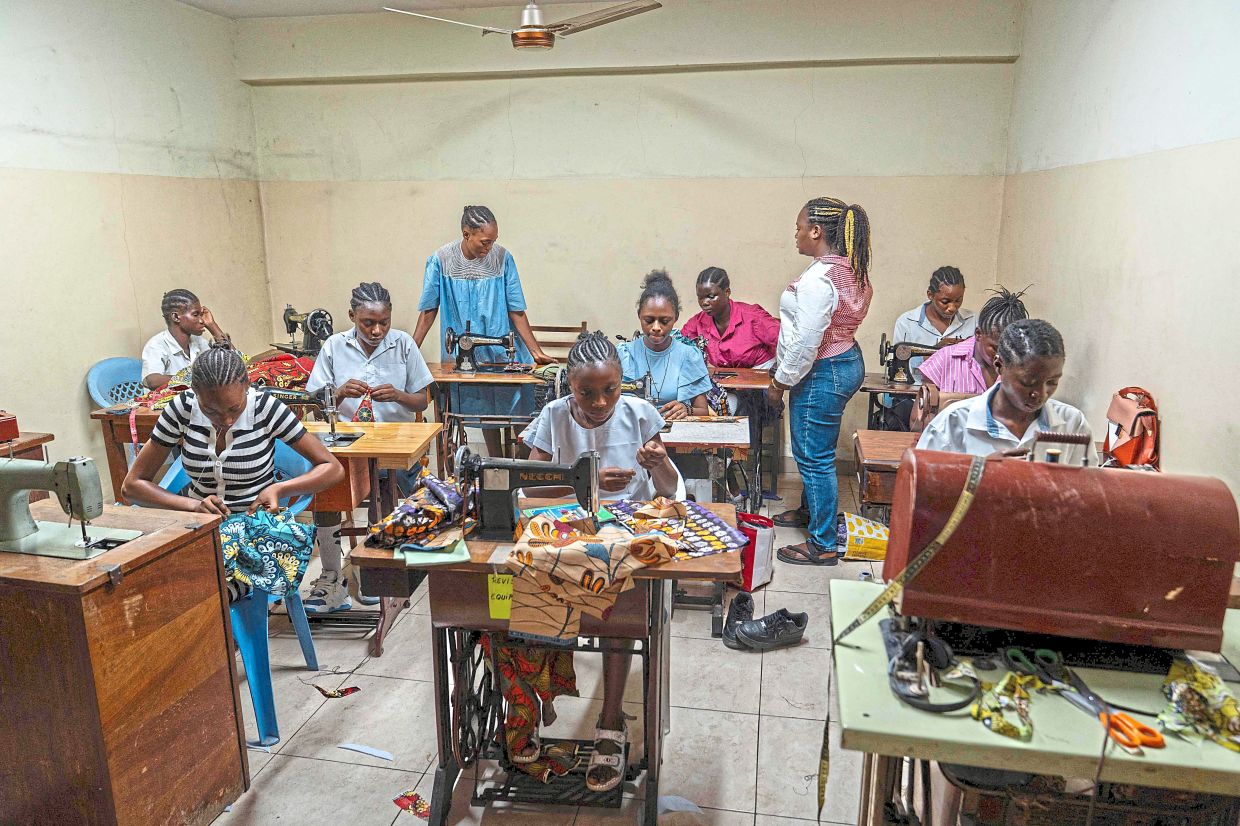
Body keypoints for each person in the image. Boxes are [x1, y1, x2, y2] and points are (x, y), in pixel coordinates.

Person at [521, 331, 678, 793]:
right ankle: (533, 702)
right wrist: (588, 483)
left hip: (624, 538)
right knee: (526, 589)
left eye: (610, 389)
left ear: (622, 382)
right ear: (567, 384)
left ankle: (610, 720)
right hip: (568, 534)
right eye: (586, 392)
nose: (599, 401)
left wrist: (657, 464)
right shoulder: (552, 418)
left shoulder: (639, 415)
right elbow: (531, 490)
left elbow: (670, 490)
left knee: (617, 613)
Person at [122, 343, 344, 597]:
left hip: (254, 527)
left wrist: (280, 488)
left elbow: (332, 468)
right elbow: (132, 486)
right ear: (195, 393)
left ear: (247, 387)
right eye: (211, 410)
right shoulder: (181, 409)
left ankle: (227, 601)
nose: (226, 420)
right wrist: (192, 506)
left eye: (234, 409)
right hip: (200, 525)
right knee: (148, 580)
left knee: (203, 591)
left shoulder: (266, 409)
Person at [302, 282, 434, 613]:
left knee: (390, 493)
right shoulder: (334, 346)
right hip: (350, 441)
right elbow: (315, 399)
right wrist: (339, 393)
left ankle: (379, 564)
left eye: (383, 322)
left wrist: (400, 396)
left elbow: (423, 398)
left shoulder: (403, 343)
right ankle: (333, 575)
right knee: (326, 490)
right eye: (368, 323)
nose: (377, 330)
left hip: (397, 440)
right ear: (352, 317)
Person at [768, 197, 873, 565]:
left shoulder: (818, 280)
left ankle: (822, 543)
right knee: (819, 449)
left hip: (823, 369)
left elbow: (806, 340)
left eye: (799, 227)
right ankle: (809, 512)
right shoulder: (850, 270)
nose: (795, 233)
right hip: (846, 359)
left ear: (816, 231)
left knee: (814, 457)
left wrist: (779, 383)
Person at [414, 205, 555, 457]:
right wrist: (410, 352)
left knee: (519, 412)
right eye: (484, 241)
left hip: (503, 354)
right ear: (466, 234)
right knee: (484, 413)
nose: (489, 247)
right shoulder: (441, 260)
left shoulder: (502, 258)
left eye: (493, 241)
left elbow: (516, 309)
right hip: (466, 355)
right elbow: (428, 310)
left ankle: (522, 468)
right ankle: (496, 463)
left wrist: (535, 352)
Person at [917, 319, 1093, 464]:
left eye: (1052, 382)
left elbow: (1090, 496)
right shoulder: (952, 424)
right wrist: (979, 472)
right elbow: (922, 495)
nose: (1040, 393)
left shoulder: (1072, 424)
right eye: (1027, 382)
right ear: (999, 365)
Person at [616, 270, 712, 422]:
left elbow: (702, 411)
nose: (656, 327)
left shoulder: (688, 356)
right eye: (648, 320)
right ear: (639, 315)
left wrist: (687, 409)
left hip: (675, 434)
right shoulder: (624, 354)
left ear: (676, 318)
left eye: (664, 321)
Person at [919, 286, 1029, 396]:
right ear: (978, 334)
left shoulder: (1023, 367)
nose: (1003, 356)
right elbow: (922, 410)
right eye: (996, 348)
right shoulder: (944, 359)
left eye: (1011, 349)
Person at [680, 267, 780, 369]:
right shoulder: (698, 322)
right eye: (700, 297)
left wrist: (780, 368)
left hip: (761, 374)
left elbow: (788, 342)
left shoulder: (753, 317)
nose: (704, 303)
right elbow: (677, 345)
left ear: (727, 292)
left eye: (711, 296)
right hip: (726, 379)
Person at [140, 289, 230, 390]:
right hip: (166, 404)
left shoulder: (198, 341)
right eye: (196, 315)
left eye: (201, 315)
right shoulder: (157, 345)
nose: (202, 321)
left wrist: (212, 326)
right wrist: (197, 379)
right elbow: (153, 381)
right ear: (175, 317)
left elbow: (233, 362)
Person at [892, 265, 976, 348]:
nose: (952, 308)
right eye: (945, 302)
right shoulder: (907, 323)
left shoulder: (973, 321)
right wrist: (937, 350)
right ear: (930, 295)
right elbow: (900, 359)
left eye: (958, 300)